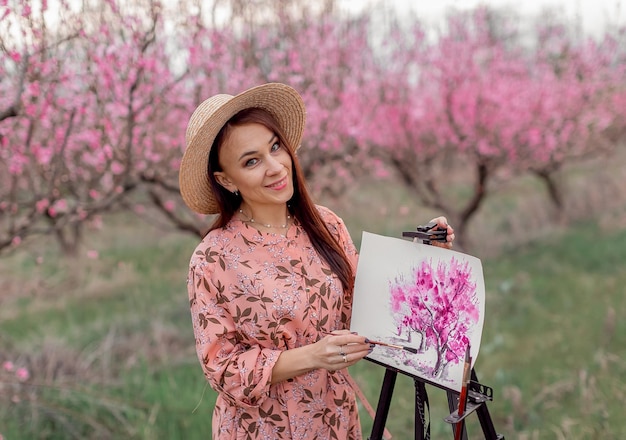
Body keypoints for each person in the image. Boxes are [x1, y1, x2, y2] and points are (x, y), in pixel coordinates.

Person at [179, 83, 455, 439]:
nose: (276, 166)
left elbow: (369, 308)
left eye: (275, 147)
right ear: (225, 179)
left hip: (333, 415)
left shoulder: (325, 224)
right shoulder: (213, 258)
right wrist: (313, 355)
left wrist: (428, 261)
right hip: (263, 427)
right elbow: (223, 369)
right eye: (252, 161)